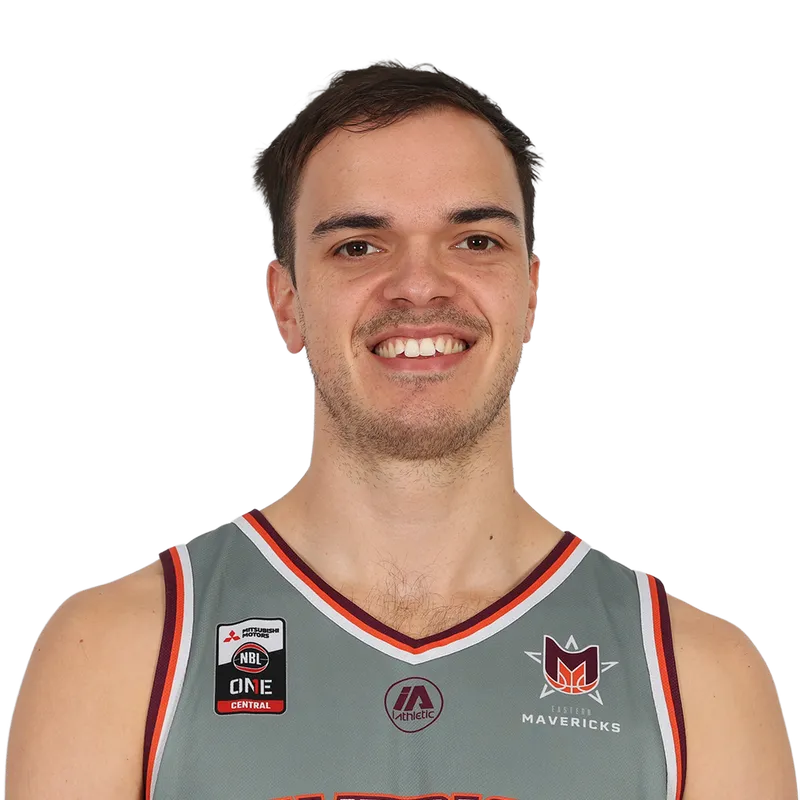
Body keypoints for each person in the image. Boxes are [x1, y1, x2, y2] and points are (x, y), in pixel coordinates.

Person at [5, 58, 796, 800]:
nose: (419, 285)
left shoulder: (698, 681)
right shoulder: (120, 656)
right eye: (358, 245)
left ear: (531, 291)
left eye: (475, 240)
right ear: (286, 303)